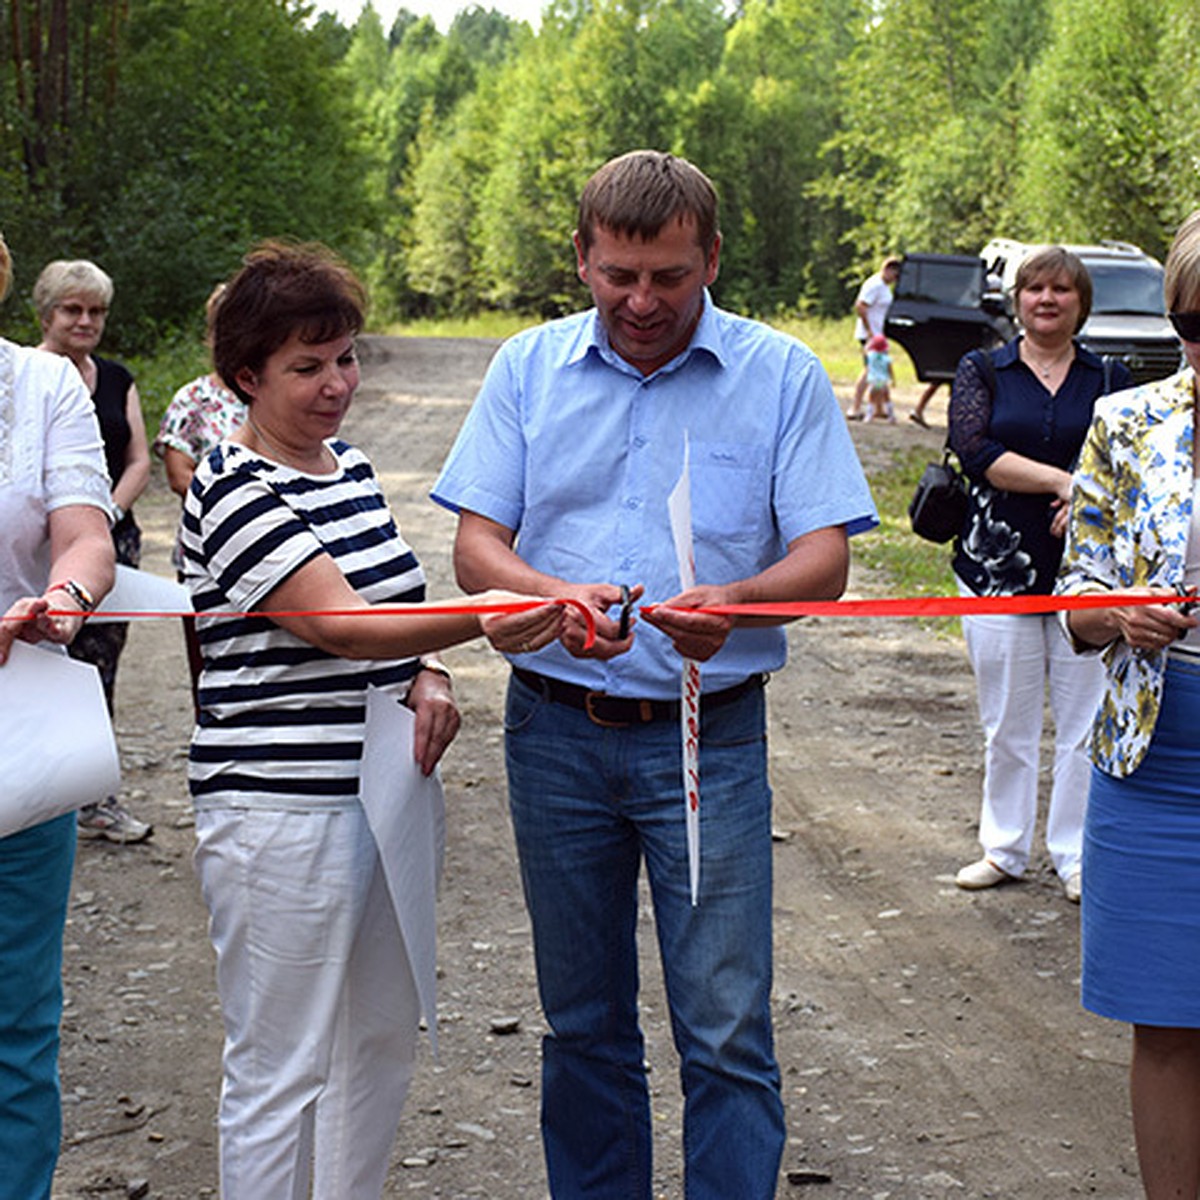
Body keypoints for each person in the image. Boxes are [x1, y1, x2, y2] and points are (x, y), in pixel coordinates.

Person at [432, 150, 877, 1199]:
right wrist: (547, 593)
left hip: (710, 737)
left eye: (670, 277)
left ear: (712, 259)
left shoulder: (778, 373)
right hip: (556, 733)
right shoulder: (525, 368)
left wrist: (741, 601)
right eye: (619, 274)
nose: (642, 300)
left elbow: (828, 556)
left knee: (724, 1029)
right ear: (581, 258)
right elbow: (476, 548)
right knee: (581, 1022)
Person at [182, 239, 564, 1200]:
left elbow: (391, 611)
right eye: (305, 368)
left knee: (379, 1042)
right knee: (281, 1067)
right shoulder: (231, 485)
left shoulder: (348, 469)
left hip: (385, 798)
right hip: (279, 812)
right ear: (244, 378)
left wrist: (432, 666)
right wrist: (486, 621)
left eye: (345, 358)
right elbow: (341, 626)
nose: (335, 385)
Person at [1057, 208, 1200, 1199]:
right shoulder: (1129, 422)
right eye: (1196, 325)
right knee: (1170, 1022)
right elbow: (1074, 604)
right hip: (1159, 767)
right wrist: (1122, 616)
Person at [948, 246, 1130, 902]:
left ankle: (1076, 854)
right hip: (997, 569)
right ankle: (1003, 848)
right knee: (1008, 720)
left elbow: (1125, 462)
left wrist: (1091, 502)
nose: (1046, 299)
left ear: (1081, 302)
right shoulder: (982, 369)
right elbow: (977, 451)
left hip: (1088, 572)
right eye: (1034, 288)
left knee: (1083, 722)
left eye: (1061, 289)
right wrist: (1068, 483)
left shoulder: (1110, 377)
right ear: (1016, 299)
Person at [0, 233, 116, 1199]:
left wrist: (66, 599)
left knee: (15, 1024)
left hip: (17, 743)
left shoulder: (44, 391)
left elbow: (84, 535)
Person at [34, 259, 153, 843]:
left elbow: (138, 459)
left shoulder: (116, 378)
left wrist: (100, 513)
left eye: (97, 311)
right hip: (38, 546)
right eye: (73, 309)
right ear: (46, 313)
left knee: (98, 672)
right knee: (38, 668)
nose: (85, 321)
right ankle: (37, 798)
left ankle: (95, 801)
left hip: (111, 543)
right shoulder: (25, 377)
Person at [152, 283, 246, 708]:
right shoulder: (193, 399)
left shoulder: (274, 392)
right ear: (212, 335)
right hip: (204, 557)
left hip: (281, 549)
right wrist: (248, 500)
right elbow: (178, 476)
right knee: (210, 674)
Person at [847, 254, 900, 419]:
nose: (896, 279)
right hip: (870, 335)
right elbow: (861, 306)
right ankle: (854, 408)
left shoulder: (884, 287)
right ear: (888, 269)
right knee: (870, 369)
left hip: (879, 335)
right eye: (895, 274)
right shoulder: (874, 284)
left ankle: (879, 408)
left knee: (879, 370)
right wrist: (869, 330)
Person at [863, 331, 895, 422]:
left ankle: (869, 415)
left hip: (873, 380)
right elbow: (890, 370)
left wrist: (869, 343)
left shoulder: (871, 356)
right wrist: (893, 380)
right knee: (886, 397)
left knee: (871, 397)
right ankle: (891, 415)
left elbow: (865, 351)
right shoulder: (887, 358)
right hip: (883, 381)